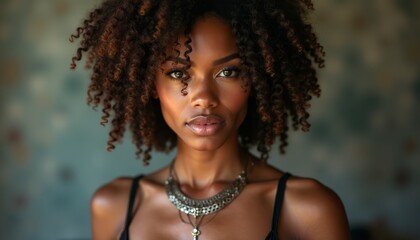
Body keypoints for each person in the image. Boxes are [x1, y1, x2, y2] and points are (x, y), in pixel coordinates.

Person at [70, 0, 350, 239]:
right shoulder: (114, 205)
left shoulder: (308, 208)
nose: (204, 98)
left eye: (228, 73)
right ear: (149, 84)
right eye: (179, 74)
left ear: (256, 79)